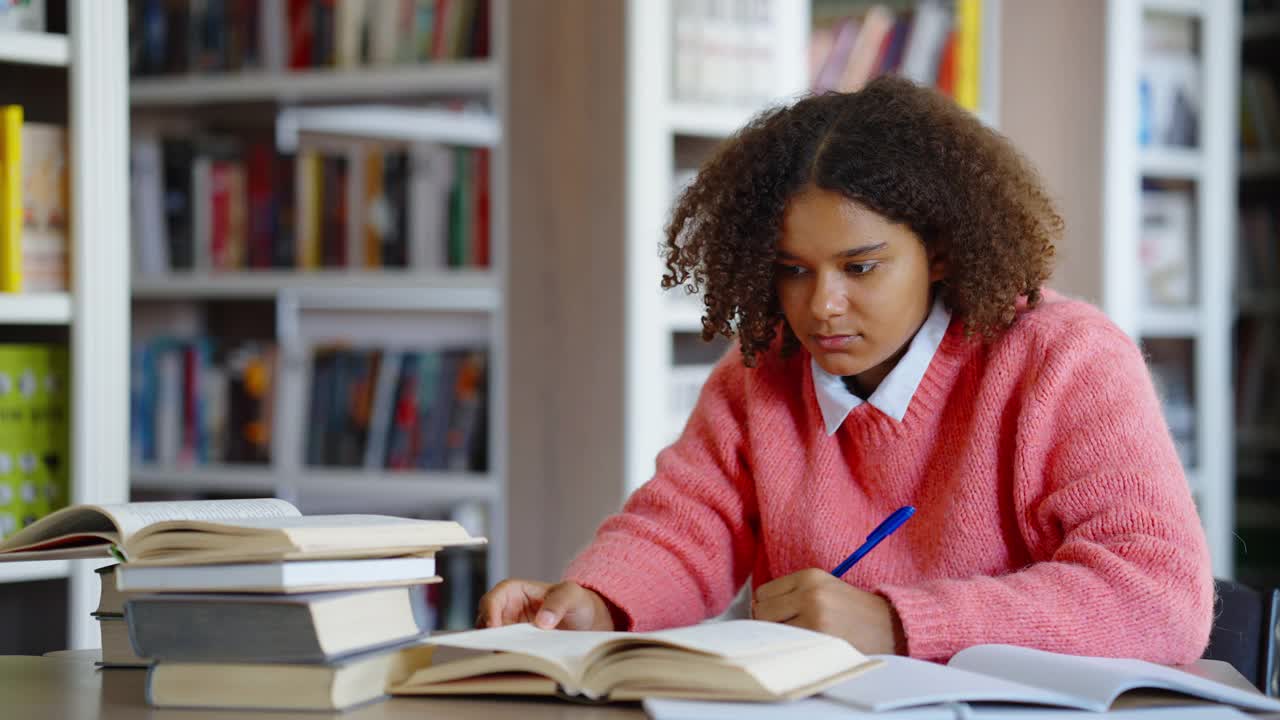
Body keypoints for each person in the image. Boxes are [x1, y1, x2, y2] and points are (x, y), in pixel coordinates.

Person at [477, 76, 1213, 664]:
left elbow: (1160, 596)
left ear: (942, 251)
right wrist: (597, 600)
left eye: (860, 267)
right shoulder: (760, 373)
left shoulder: (1065, 360)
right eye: (793, 270)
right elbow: (684, 526)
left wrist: (898, 623)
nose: (822, 305)